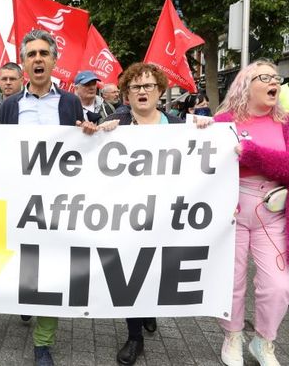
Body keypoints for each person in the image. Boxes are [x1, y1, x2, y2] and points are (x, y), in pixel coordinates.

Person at [0, 29, 96, 366]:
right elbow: (2, 152)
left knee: (52, 266)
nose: (38, 59)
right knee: (26, 261)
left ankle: (43, 343)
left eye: (44, 53)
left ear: (54, 61)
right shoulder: (10, 106)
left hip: (58, 202)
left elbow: (82, 151)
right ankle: (28, 300)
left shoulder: (70, 102)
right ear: (24, 63)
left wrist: (88, 135)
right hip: (23, 201)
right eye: (31, 54)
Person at [100, 63, 184, 366]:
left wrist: (205, 131)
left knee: (156, 267)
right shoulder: (115, 123)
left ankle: (149, 309)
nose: (142, 91)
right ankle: (134, 335)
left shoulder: (178, 126)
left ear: (160, 90)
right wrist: (99, 132)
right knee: (130, 273)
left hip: (164, 214)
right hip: (126, 214)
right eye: (136, 87)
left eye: (149, 86)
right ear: (126, 94)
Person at [214, 59, 289, 366]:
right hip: (231, 213)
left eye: (276, 77)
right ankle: (232, 336)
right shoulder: (224, 121)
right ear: (247, 84)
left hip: (271, 213)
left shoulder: (284, 124)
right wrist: (203, 128)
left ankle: (264, 342)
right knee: (231, 279)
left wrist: (254, 154)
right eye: (266, 77)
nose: (275, 81)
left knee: (277, 285)